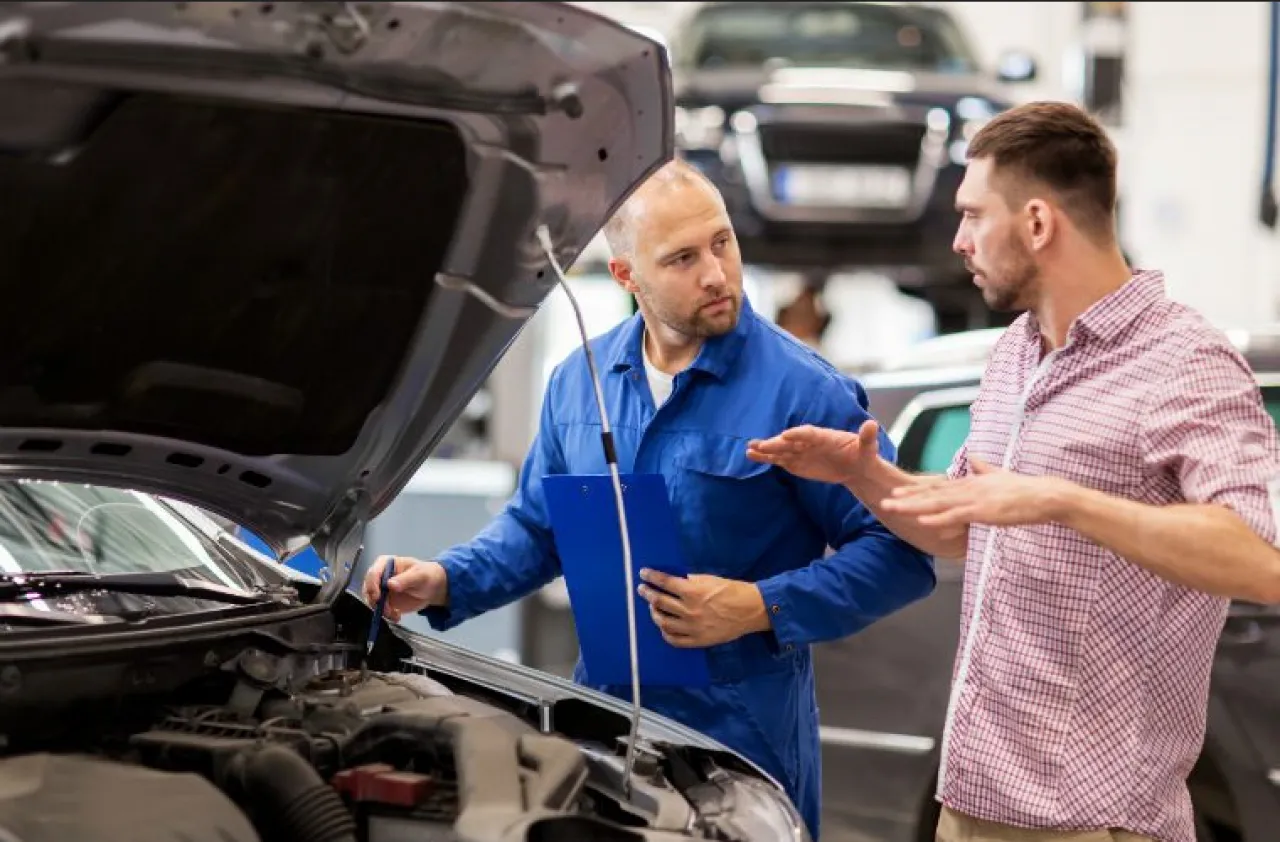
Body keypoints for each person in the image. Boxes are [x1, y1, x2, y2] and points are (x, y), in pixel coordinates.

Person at [746, 101, 1280, 842]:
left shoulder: (1184, 364)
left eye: (972, 215)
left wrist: (1063, 501)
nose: (959, 239)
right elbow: (966, 525)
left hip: (1094, 825)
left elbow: (1260, 559)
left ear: (1036, 224)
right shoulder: (1015, 355)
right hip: (970, 806)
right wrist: (866, 477)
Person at [362, 158, 937, 840]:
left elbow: (902, 552)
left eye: (723, 242)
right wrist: (446, 580)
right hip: (606, 733)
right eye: (683, 258)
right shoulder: (581, 382)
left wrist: (759, 607)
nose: (717, 274)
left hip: (745, 752)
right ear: (627, 276)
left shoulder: (803, 392)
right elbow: (540, 530)